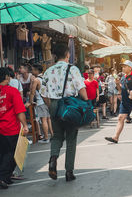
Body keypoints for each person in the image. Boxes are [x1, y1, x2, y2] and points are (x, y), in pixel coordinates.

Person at [40, 43, 88, 181]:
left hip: (54, 104)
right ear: (67, 55)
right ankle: (69, 172)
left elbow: (43, 93)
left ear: (55, 56)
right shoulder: (73, 69)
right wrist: (86, 100)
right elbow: (81, 87)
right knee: (71, 138)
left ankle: (53, 160)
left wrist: (51, 106)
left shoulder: (48, 71)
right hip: (70, 105)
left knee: (57, 137)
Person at [0, 67, 29, 189]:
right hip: (10, 127)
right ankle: (3, 177)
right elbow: (20, 110)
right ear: (7, 77)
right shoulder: (12, 91)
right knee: (11, 154)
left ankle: (5, 177)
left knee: (2, 153)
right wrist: (25, 125)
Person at [105, 60, 132, 143]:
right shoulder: (123, 77)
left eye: (125, 66)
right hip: (124, 102)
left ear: (130, 68)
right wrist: (117, 83)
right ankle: (115, 137)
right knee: (120, 118)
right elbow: (120, 89)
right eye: (122, 66)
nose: (123, 68)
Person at [28, 64, 53, 143]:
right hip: (47, 101)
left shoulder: (36, 80)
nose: (32, 71)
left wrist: (30, 101)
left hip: (40, 102)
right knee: (48, 119)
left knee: (43, 120)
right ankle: (52, 135)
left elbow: (32, 92)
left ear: (36, 70)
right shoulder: (45, 78)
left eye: (33, 70)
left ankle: (46, 138)